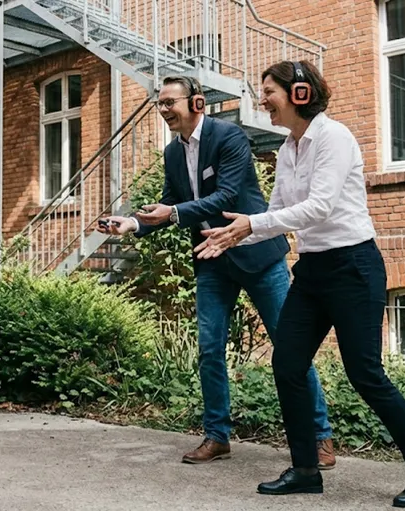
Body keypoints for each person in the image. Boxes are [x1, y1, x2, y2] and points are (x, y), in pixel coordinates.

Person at [195, 60, 405, 507]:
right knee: (288, 365)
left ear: (299, 94)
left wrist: (252, 224)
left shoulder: (334, 137)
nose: (262, 101)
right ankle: (306, 469)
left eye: (269, 91)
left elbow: (321, 207)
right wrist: (238, 233)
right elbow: (276, 211)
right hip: (312, 271)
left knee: (365, 373)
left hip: (354, 268)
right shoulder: (288, 147)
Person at [98, 75, 336, 468]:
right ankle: (217, 435)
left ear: (197, 104)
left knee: (291, 346)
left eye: (169, 102)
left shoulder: (229, 137)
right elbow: (172, 203)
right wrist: (134, 224)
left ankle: (320, 436)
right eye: (160, 104)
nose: (163, 110)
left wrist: (172, 213)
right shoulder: (173, 153)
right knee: (209, 348)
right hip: (211, 258)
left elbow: (225, 196)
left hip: (257, 256)